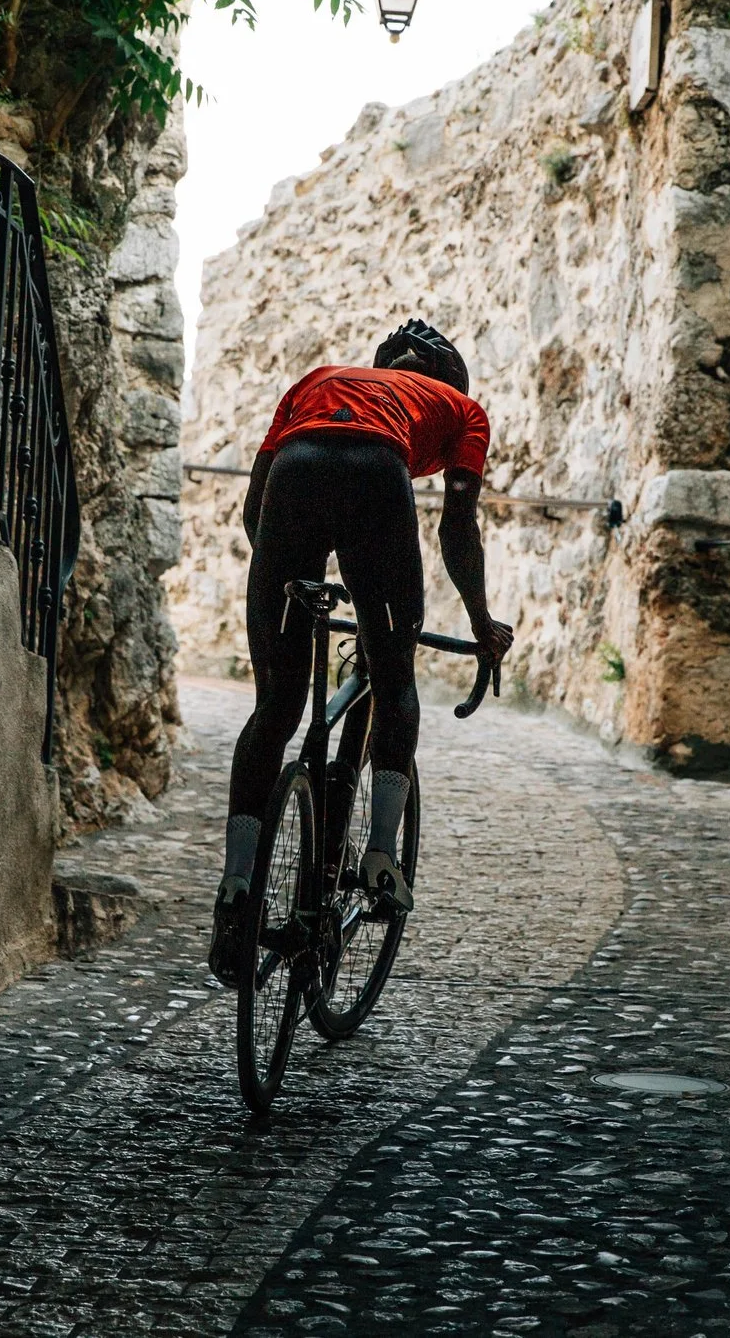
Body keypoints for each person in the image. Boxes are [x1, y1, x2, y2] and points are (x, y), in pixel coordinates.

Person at [210, 319, 514, 987]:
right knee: (393, 673)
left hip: (294, 473)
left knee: (276, 708)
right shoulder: (462, 410)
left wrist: (292, 585)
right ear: (450, 380)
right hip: (377, 474)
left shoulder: (316, 379)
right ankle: (380, 857)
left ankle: (236, 885)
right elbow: (457, 528)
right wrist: (481, 619)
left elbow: (255, 507)